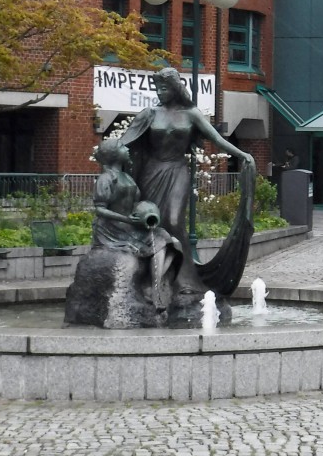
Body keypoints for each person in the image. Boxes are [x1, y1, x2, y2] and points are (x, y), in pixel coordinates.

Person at [120, 67, 256, 296]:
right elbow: (125, 142)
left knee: (174, 221)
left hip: (177, 170)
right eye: (157, 88)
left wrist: (242, 155)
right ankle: (152, 277)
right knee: (152, 223)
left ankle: (185, 279)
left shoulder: (191, 114)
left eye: (164, 88)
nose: (159, 92)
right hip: (152, 171)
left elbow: (216, 139)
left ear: (174, 88)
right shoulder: (150, 113)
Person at [91, 139, 181, 310]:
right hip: (112, 227)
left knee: (172, 244)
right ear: (114, 154)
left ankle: (153, 284)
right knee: (160, 241)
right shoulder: (106, 178)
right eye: (122, 147)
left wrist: (145, 212)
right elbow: (100, 210)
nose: (127, 149)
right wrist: (125, 219)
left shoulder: (127, 176)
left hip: (130, 224)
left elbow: (135, 203)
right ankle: (154, 290)